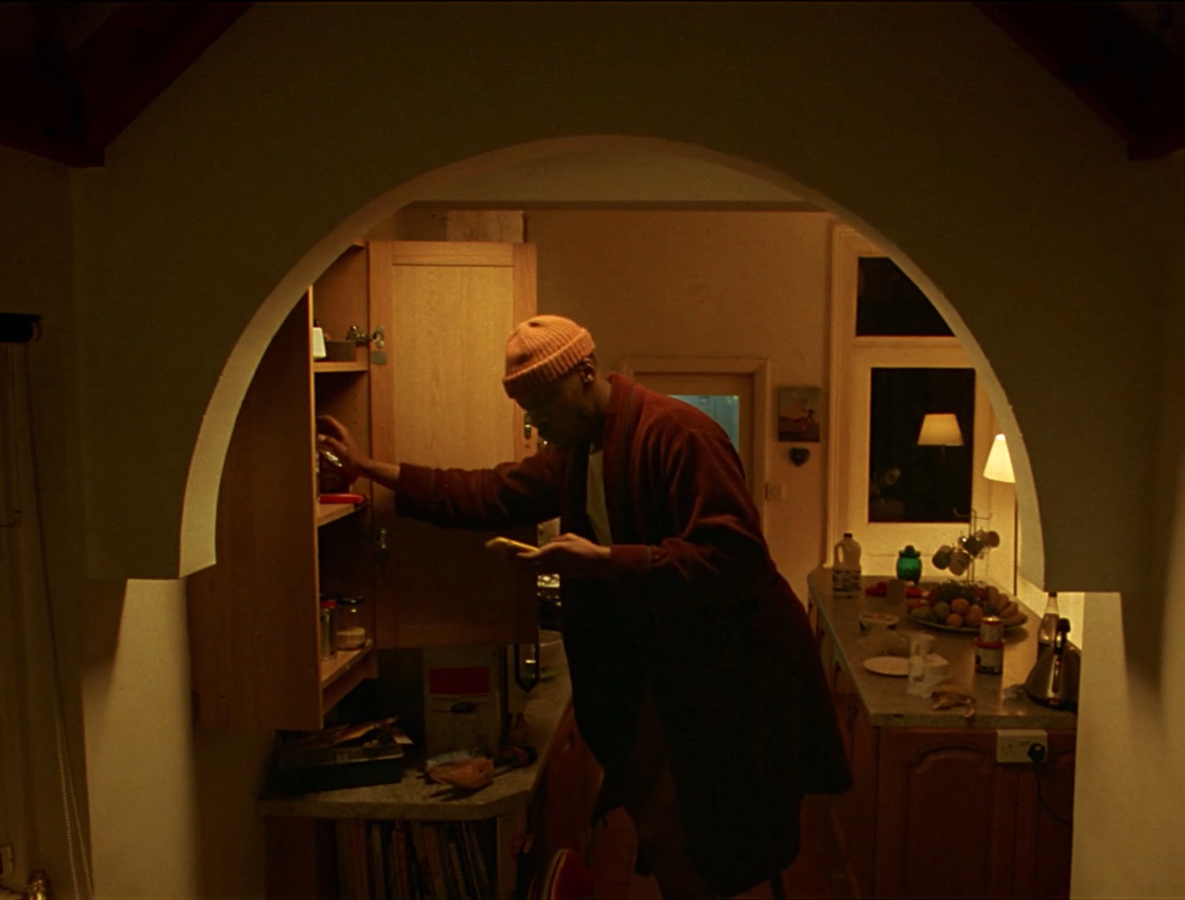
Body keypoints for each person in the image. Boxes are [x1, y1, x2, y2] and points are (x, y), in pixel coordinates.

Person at [316, 314, 851, 898]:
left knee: (708, 831)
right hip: (675, 667)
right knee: (674, 820)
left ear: (586, 375)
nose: (536, 425)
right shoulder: (579, 449)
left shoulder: (678, 434)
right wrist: (371, 469)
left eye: (541, 406)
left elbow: (735, 559)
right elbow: (488, 492)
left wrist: (600, 560)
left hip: (735, 670)